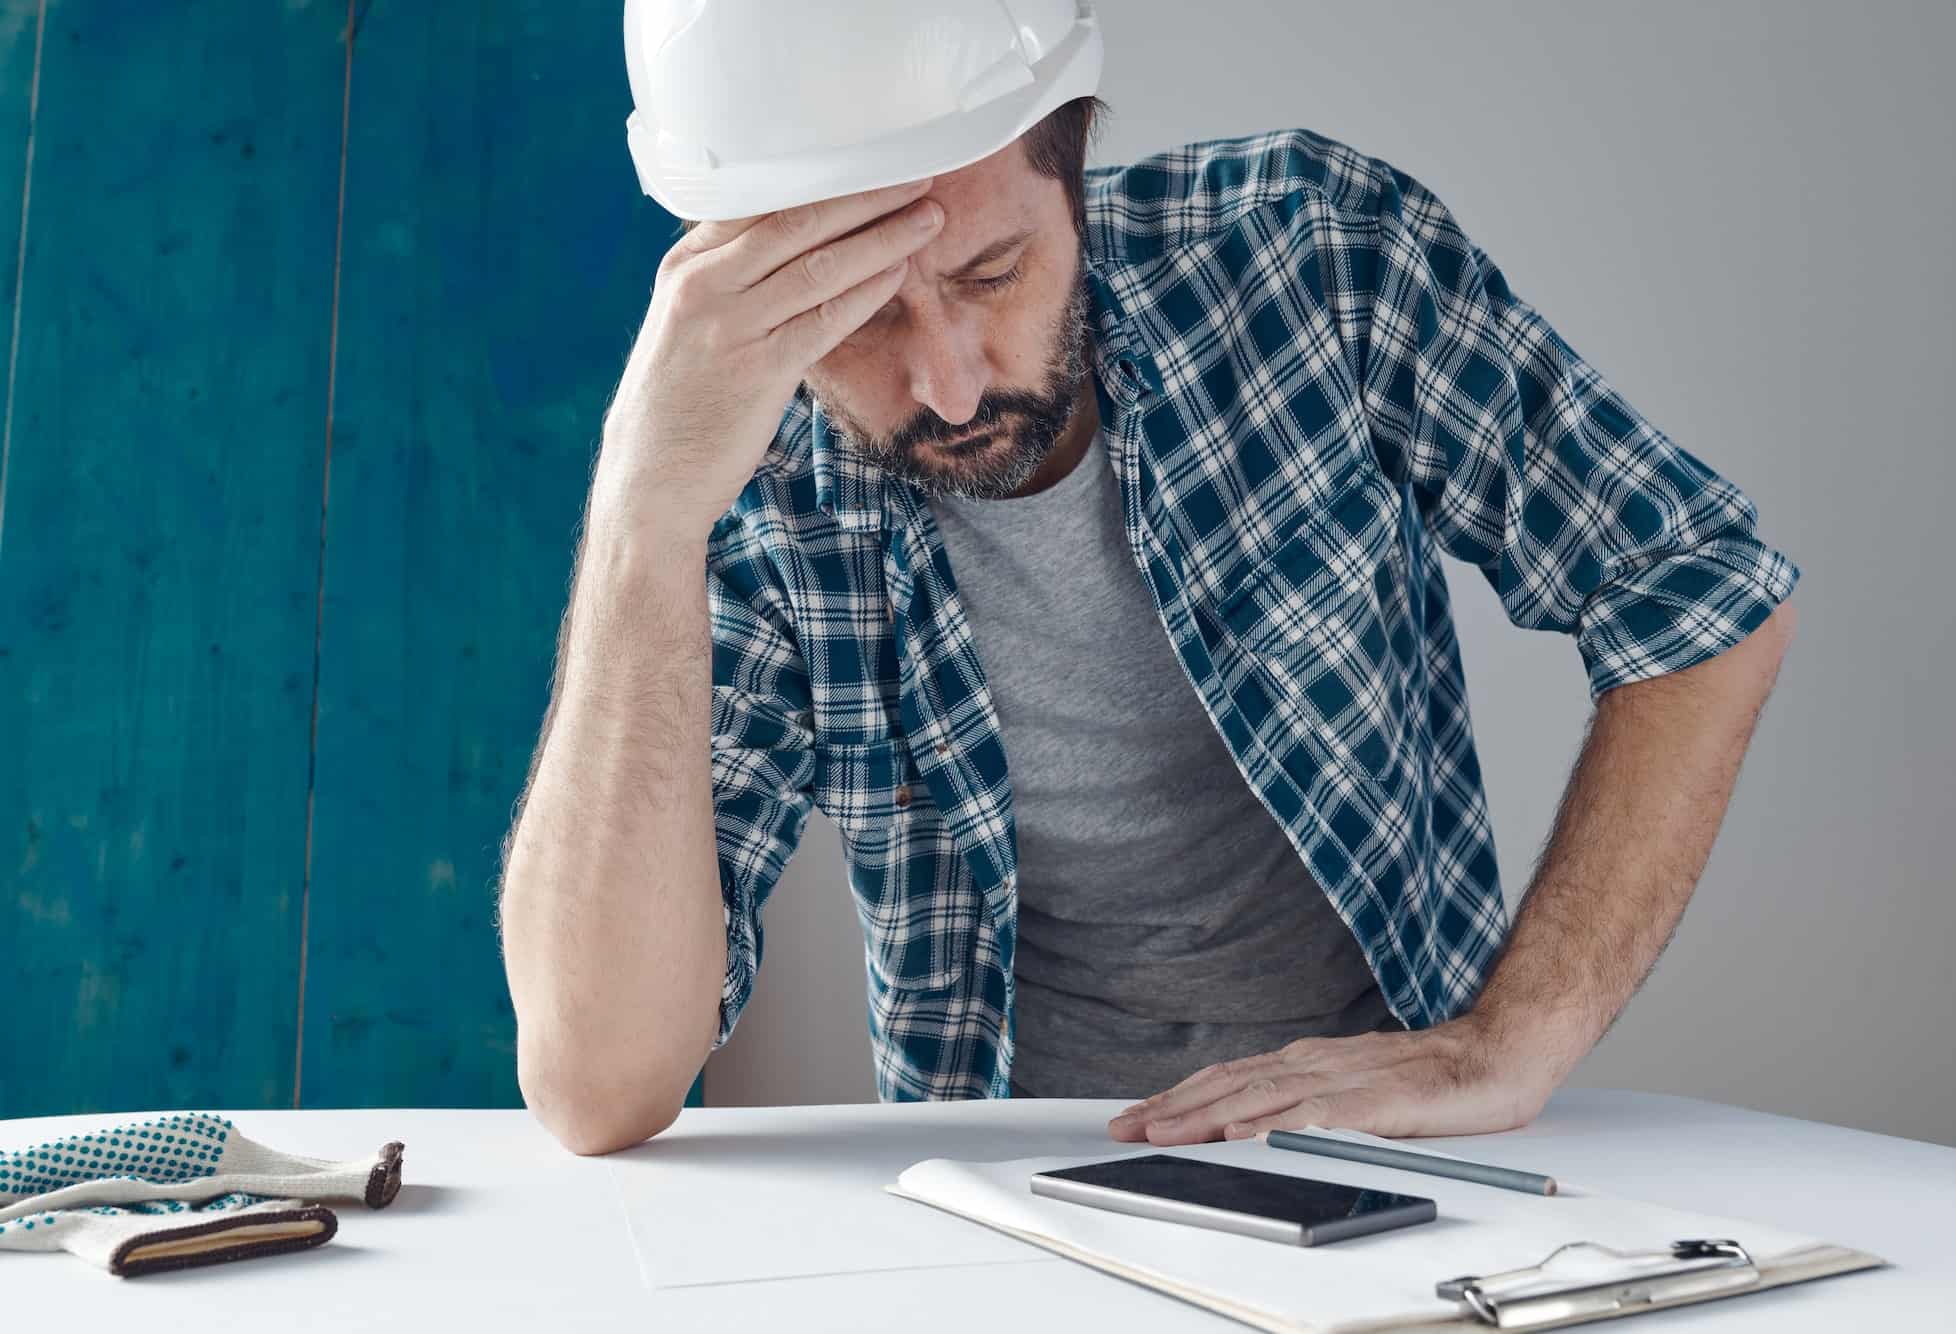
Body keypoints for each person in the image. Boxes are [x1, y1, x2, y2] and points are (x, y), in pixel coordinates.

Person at [499, 4, 1799, 1157]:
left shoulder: (1317, 259)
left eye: (991, 274)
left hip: (1388, 1161)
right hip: (1005, 1200)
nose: (948, 383)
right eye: (860, 317)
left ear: (1070, 170)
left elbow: (1699, 584)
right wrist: (640, 526)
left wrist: (1510, 1042)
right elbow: (595, 1086)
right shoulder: (757, 473)